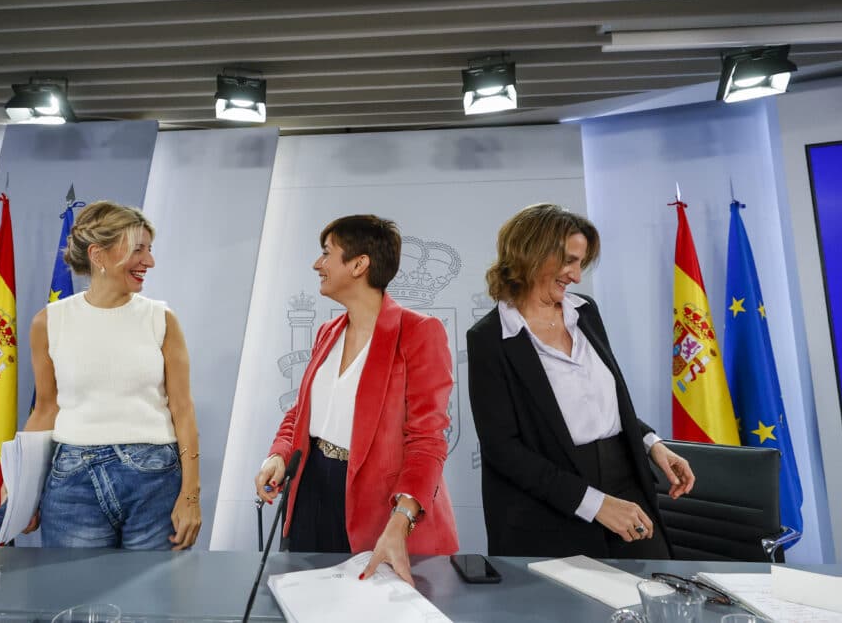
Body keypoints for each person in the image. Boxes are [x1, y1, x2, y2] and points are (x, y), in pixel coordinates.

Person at [466, 203, 695, 558]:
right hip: (550, 506)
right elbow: (503, 449)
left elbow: (604, 401)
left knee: (655, 596)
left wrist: (651, 444)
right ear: (531, 253)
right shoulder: (489, 339)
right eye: (569, 261)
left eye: (580, 263)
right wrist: (596, 505)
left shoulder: (585, 311)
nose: (576, 275)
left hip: (626, 486)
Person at [254, 215, 458, 585]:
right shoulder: (326, 332)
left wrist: (403, 519)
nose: (318, 264)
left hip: (380, 503)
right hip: (311, 486)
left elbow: (428, 440)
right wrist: (280, 454)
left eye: (327, 253)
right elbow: (302, 411)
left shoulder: (420, 332)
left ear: (359, 264)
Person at [18, 200, 202, 550]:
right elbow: (44, 409)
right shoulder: (48, 321)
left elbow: (183, 409)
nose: (149, 261)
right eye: (138, 250)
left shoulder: (162, 319)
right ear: (98, 255)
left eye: (149, 250)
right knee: (75, 601)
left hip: (155, 482)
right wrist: (21, 486)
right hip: (71, 484)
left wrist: (191, 496)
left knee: (152, 603)